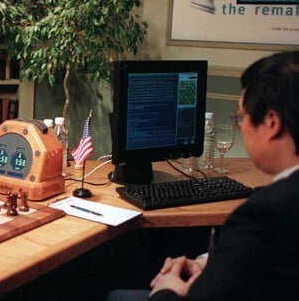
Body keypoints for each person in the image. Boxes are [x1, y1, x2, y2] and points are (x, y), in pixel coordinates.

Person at [107, 50, 299, 301]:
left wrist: (167, 288)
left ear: (272, 123)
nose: (239, 126)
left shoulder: (264, 215)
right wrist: (211, 263)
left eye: (241, 117)